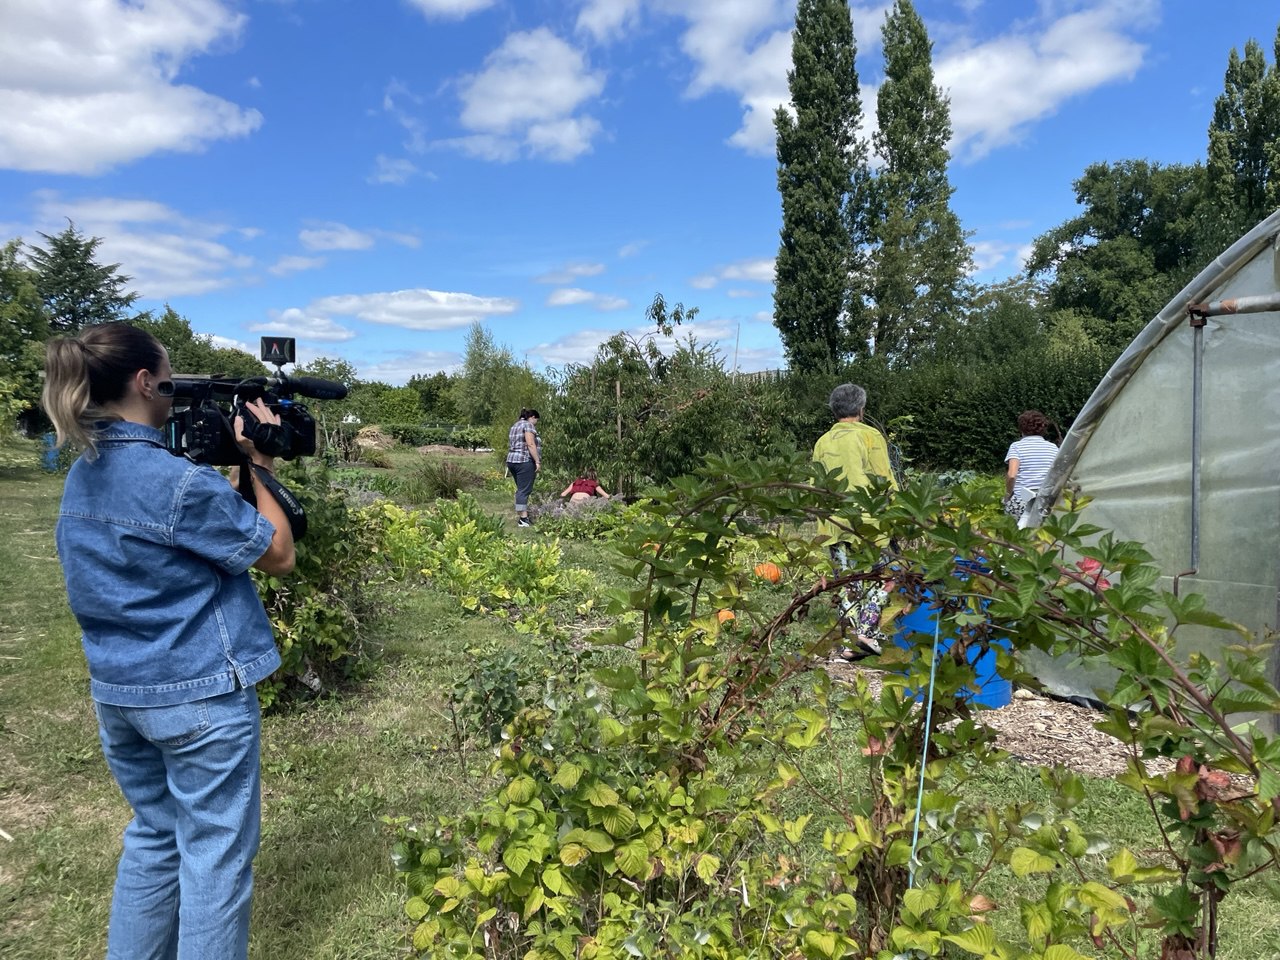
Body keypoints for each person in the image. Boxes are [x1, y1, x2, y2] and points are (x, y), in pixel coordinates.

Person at [43, 322, 295, 960]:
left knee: (156, 837)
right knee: (214, 858)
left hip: (122, 692)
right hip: (198, 695)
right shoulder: (175, 482)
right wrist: (258, 464)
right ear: (144, 381)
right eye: (170, 375)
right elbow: (278, 553)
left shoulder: (83, 474)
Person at [812, 383, 899, 661]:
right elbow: (883, 477)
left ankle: (851, 644)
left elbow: (816, 485)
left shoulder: (822, 442)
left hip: (834, 521)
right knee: (890, 573)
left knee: (847, 582)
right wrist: (899, 511)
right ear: (861, 409)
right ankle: (867, 628)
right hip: (869, 518)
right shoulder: (871, 436)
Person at [1004, 410, 1059, 519]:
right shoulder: (1053, 448)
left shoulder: (1016, 447)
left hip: (1022, 500)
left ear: (1021, 428)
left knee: (1014, 531)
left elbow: (1012, 475)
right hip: (1045, 501)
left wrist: (1008, 495)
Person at [505, 407, 541, 527]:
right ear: (532, 417)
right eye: (537, 420)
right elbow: (530, 444)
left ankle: (523, 516)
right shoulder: (528, 425)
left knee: (521, 489)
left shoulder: (514, 426)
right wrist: (537, 461)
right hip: (524, 461)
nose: (536, 423)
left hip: (512, 460)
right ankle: (523, 519)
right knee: (524, 490)